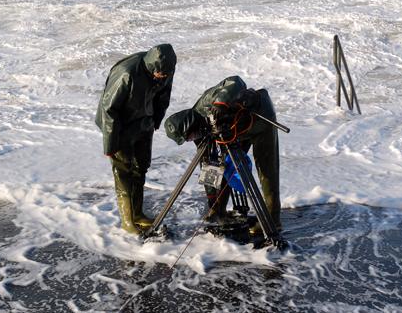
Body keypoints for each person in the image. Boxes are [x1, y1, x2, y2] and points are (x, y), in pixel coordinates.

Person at [164, 75, 281, 232]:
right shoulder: (201, 133)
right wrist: (212, 201)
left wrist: (221, 103)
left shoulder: (206, 104)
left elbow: (236, 81)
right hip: (238, 130)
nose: (190, 139)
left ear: (189, 126)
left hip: (261, 118)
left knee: (267, 171)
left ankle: (273, 221)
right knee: (224, 166)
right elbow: (208, 165)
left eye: (188, 136)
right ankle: (219, 210)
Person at [96, 44, 177, 234]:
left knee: (141, 166)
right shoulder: (127, 73)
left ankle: (138, 213)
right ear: (152, 68)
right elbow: (109, 110)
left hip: (143, 121)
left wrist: (156, 121)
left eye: (166, 74)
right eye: (160, 75)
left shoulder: (166, 69)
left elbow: (163, 96)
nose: (164, 78)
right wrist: (111, 145)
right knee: (124, 170)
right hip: (119, 126)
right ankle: (127, 221)